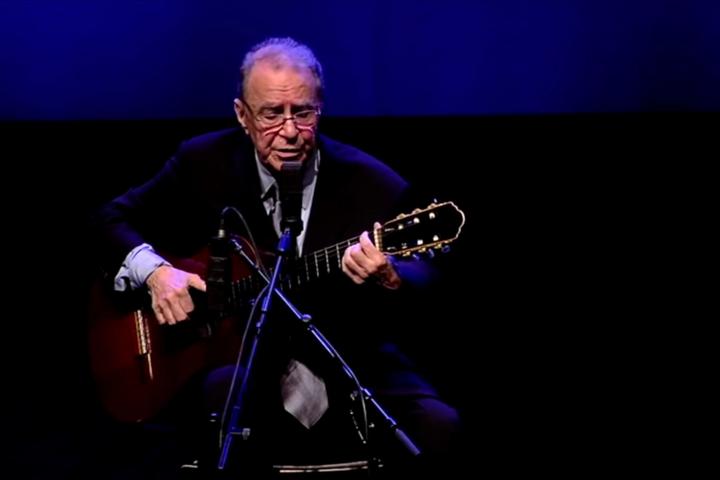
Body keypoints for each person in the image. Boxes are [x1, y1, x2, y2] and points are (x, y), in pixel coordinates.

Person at [94, 37, 460, 476]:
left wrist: (393, 275)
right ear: (242, 115)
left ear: (320, 110)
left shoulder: (371, 183)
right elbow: (108, 220)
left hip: (346, 352)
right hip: (236, 359)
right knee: (198, 416)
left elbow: (433, 275)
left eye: (302, 113)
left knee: (438, 427)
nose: (289, 131)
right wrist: (156, 274)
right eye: (271, 114)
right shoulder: (204, 163)